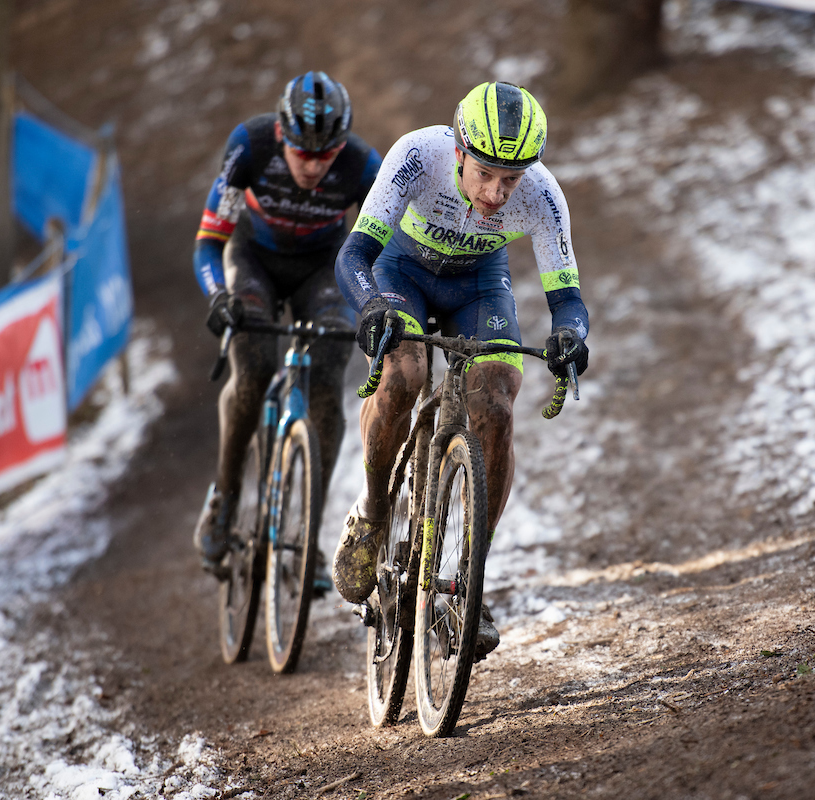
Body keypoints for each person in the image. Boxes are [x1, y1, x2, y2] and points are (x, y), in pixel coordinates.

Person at [331, 82, 590, 658]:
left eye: (511, 180)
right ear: (458, 153)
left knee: (496, 400)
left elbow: (567, 300)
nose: (497, 194)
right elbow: (354, 256)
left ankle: (471, 577)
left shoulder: (543, 195)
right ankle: (374, 514)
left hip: (478, 285)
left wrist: (571, 337)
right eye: (485, 175)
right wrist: (372, 304)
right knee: (404, 374)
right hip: (404, 274)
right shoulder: (416, 156)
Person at [192, 71, 383, 594]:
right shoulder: (249, 145)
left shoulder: (364, 166)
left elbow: (380, 254)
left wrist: (377, 305)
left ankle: (310, 539)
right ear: (282, 135)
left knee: (326, 379)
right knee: (252, 372)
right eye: (303, 153)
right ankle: (226, 498)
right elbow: (210, 241)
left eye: (326, 155)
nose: (315, 165)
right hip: (253, 262)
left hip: (324, 271)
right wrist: (217, 296)